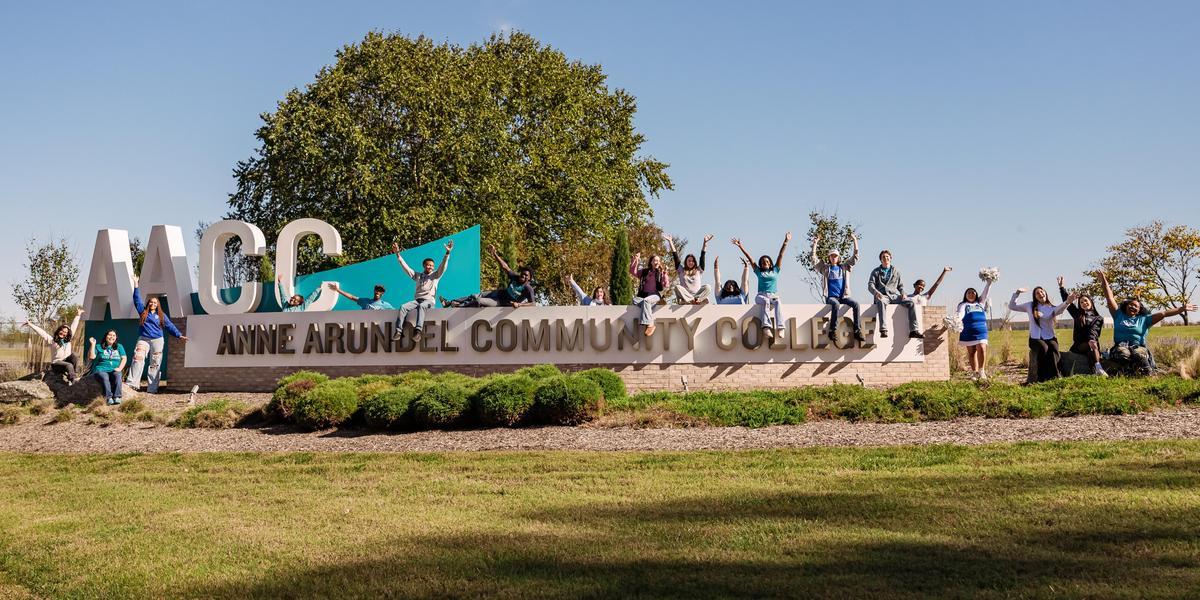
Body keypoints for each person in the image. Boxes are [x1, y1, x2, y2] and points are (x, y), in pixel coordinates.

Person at [1098, 270, 1196, 375]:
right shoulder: (1118, 315)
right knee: (1123, 353)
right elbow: (1109, 297)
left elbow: (1163, 313)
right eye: (1131, 304)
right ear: (1126, 306)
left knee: (1138, 353)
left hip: (1138, 346)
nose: (1133, 307)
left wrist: (1181, 309)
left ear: (1139, 310)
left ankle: (1148, 373)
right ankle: (1126, 371)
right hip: (1120, 346)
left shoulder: (1145, 319)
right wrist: (1104, 281)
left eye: (1136, 306)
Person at [126, 280, 188, 393]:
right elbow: (137, 301)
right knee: (137, 358)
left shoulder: (161, 315)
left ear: (158, 305)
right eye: (151, 302)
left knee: (155, 363)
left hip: (157, 340)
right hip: (143, 339)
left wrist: (179, 335)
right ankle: (132, 383)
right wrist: (136, 286)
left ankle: (152, 388)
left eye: (155, 303)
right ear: (148, 304)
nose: (153, 304)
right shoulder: (143, 312)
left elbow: (170, 326)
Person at [1009, 286, 1076, 383]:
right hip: (1035, 338)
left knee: (1053, 347)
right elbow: (1012, 306)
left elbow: (1060, 309)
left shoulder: (1051, 308)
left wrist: (1067, 302)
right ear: (1035, 297)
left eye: (1041, 291)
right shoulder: (1030, 306)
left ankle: (1056, 375)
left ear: (1045, 293)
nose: (1040, 294)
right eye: (1037, 293)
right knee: (1043, 348)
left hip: (1050, 337)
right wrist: (1017, 293)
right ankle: (1041, 378)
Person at [391, 240, 452, 341]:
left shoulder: (435, 275)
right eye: (428, 265)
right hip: (417, 300)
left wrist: (447, 253)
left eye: (432, 266)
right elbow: (406, 268)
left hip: (429, 300)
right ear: (424, 266)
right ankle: (398, 331)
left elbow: (443, 266)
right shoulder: (418, 276)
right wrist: (398, 254)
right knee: (403, 307)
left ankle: (418, 331)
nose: (430, 267)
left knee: (422, 306)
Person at [733, 232, 791, 339]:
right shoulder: (758, 271)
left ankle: (780, 327)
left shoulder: (775, 270)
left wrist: (786, 241)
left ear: (770, 263)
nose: (765, 263)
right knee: (766, 301)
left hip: (773, 295)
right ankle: (766, 327)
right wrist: (740, 246)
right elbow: (750, 259)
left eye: (767, 261)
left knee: (778, 301)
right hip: (761, 295)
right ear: (761, 264)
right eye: (763, 262)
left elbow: (780, 255)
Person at [810, 232, 864, 343]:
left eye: (835, 256)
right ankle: (832, 330)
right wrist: (815, 243)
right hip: (831, 297)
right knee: (836, 304)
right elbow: (813, 259)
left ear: (838, 257)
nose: (834, 258)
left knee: (856, 304)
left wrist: (854, 240)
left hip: (843, 296)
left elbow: (855, 257)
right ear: (829, 258)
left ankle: (857, 330)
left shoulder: (844, 267)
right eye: (832, 256)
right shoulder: (825, 268)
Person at [443, 244, 535, 308]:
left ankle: (458, 306)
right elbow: (505, 267)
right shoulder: (515, 277)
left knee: (478, 301)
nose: (523, 276)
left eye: (526, 276)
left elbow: (533, 304)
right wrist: (494, 254)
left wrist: (519, 305)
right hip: (498, 293)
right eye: (522, 273)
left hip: (500, 302)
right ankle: (449, 302)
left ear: (530, 278)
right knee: (475, 296)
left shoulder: (528, 288)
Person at [1058, 275, 1108, 377]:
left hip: (1092, 345)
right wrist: (1061, 287)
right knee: (1089, 347)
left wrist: (1091, 340)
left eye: (1086, 301)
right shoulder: (1077, 314)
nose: (1084, 303)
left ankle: (1097, 370)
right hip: (1079, 346)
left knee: (1090, 353)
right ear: (1079, 305)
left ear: (1091, 302)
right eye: (1081, 302)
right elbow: (1067, 301)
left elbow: (1094, 331)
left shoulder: (1098, 318)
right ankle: (1099, 368)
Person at [868, 250, 921, 339]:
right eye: (883, 257)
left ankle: (913, 330)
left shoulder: (896, 271)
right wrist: (875, 292)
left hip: (894, 296)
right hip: (882, 296)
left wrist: (903, 293)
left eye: (887, 256)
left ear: (890, 258)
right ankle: (883, 330)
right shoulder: (876, 271)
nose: (885, 258)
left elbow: (900, 286)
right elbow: (870, 285)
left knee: (911, 303)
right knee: (881, 301)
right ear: (881, 260)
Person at [22, 308, 84, 382]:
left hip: (66, 361)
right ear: (58, 331)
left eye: (65, 332)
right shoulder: (52, 340)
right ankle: (73, 381)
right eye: (62, 331)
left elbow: (74, 327)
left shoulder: (68, 340)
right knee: (69, 365)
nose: (63, 333)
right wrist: (30, 325)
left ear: (67, 334)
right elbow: (42, 333)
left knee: (75, 355)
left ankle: (74, 373)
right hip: (57, 364)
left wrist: (78, 315)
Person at [956, 281, 992, 380]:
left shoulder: (980, 303)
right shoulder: (963, 304)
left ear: (976, 294)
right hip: (968, 331)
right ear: (965, 295)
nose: (971, 294)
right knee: (972, 353)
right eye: (969, 293)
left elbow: (986, 292)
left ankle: (982, 371)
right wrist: (956, 321)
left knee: (982, 348)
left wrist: (989, 282)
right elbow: (960, 314)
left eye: (973, 292)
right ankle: (974, 372)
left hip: (981, 331)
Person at [629, 251, 670, 336]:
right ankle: (654, 305)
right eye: (655, 260)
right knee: (635, 300)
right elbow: (633, 272)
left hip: (654, 295)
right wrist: (635, 260)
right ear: (651, 262)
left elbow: (666, 285)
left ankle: (650, 324)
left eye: (658, 261)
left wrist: (665, 274)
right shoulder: (644, 272)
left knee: (646, 301)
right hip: (644, 296)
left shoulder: (660, 273)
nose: (657, 262)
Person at [666, 233, 712, 304]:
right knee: (677, 287)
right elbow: (675, 256)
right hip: (685, 296)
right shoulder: (681, 270)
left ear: (695, 262)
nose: (691, 262)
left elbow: (702, 255)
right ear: (686, 262)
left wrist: (705, 242)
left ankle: (696, 299)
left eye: (692, 261)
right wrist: (670, 242)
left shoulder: (699, 270)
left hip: (697, 295)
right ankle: (691, 300)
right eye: (689, 261)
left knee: (708, 287)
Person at [87, 330, 127, 405]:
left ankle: (117, 396)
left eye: (114, 335)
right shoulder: (98, 346)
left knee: (118, 375)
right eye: (109, 335)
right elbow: (92, 357)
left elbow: (124, 358)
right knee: (105, 377)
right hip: (101, 369)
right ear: (105, 336)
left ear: (116, 338)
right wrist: (93, 344)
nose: (111, 337)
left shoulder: (119, 346)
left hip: (114, 369)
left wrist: (120, 368)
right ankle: (108, 397)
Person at [330, 282, 394, 310]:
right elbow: (351, 297)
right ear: (374, 291)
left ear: (382, 294)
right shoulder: (365, 301)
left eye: (381, 291)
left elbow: (395, 312)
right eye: (377, 290)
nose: (378, 292)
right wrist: (337, 290)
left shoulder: (386, 305)